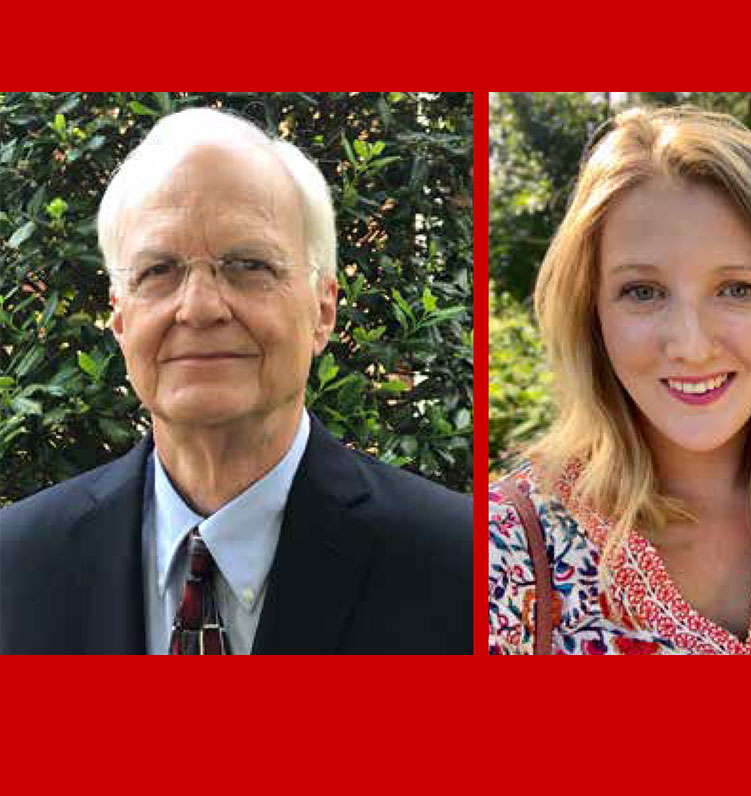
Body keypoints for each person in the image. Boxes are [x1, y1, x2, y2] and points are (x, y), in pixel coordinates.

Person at [0, 107, 471, 654]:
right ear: (121, 319)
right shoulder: (18, 566)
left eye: (249, 265)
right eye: (159, 271)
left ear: (323, 311)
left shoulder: (456, 565)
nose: (199, 309)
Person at [488, 107, 751, 655]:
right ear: (592, 313)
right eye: (643, 291)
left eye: (737, 289)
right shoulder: (508, 549)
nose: (690, 346)